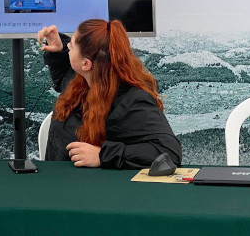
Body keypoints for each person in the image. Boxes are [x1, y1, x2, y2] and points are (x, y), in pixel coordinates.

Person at [37, 19, 182, 169]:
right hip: (59, 181)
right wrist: (59, 52)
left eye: (71, 46)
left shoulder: (132, 100)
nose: (68, 47)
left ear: (86, 64)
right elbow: (63, 77)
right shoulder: (80, 80)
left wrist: (103, 155)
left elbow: (170, 153)